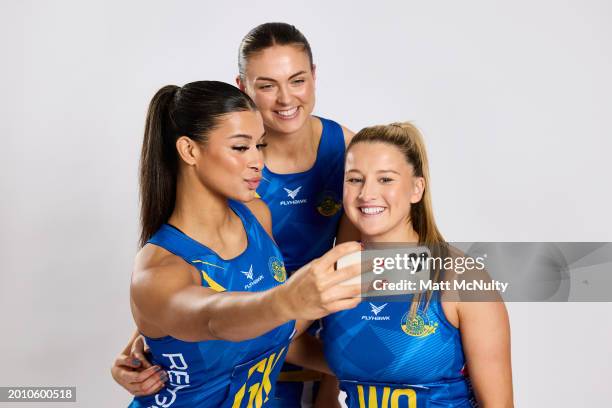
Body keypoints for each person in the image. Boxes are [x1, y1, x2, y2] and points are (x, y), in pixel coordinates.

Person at [113, 23, 357, 407]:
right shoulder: (161, 270)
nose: (258, 162)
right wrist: (153, 332)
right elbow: (212, 316)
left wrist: (371, 368)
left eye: (258, 146)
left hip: (298, 335)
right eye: (242, 147)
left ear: (314, 76)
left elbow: (375, 256)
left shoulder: (257, 216)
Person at [321, 122, 514, 407]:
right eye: (354, 179)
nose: (366, 194)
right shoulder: (334, 274)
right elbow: (274, 335)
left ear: (416, 189)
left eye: (385, 179)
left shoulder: (461, 278)